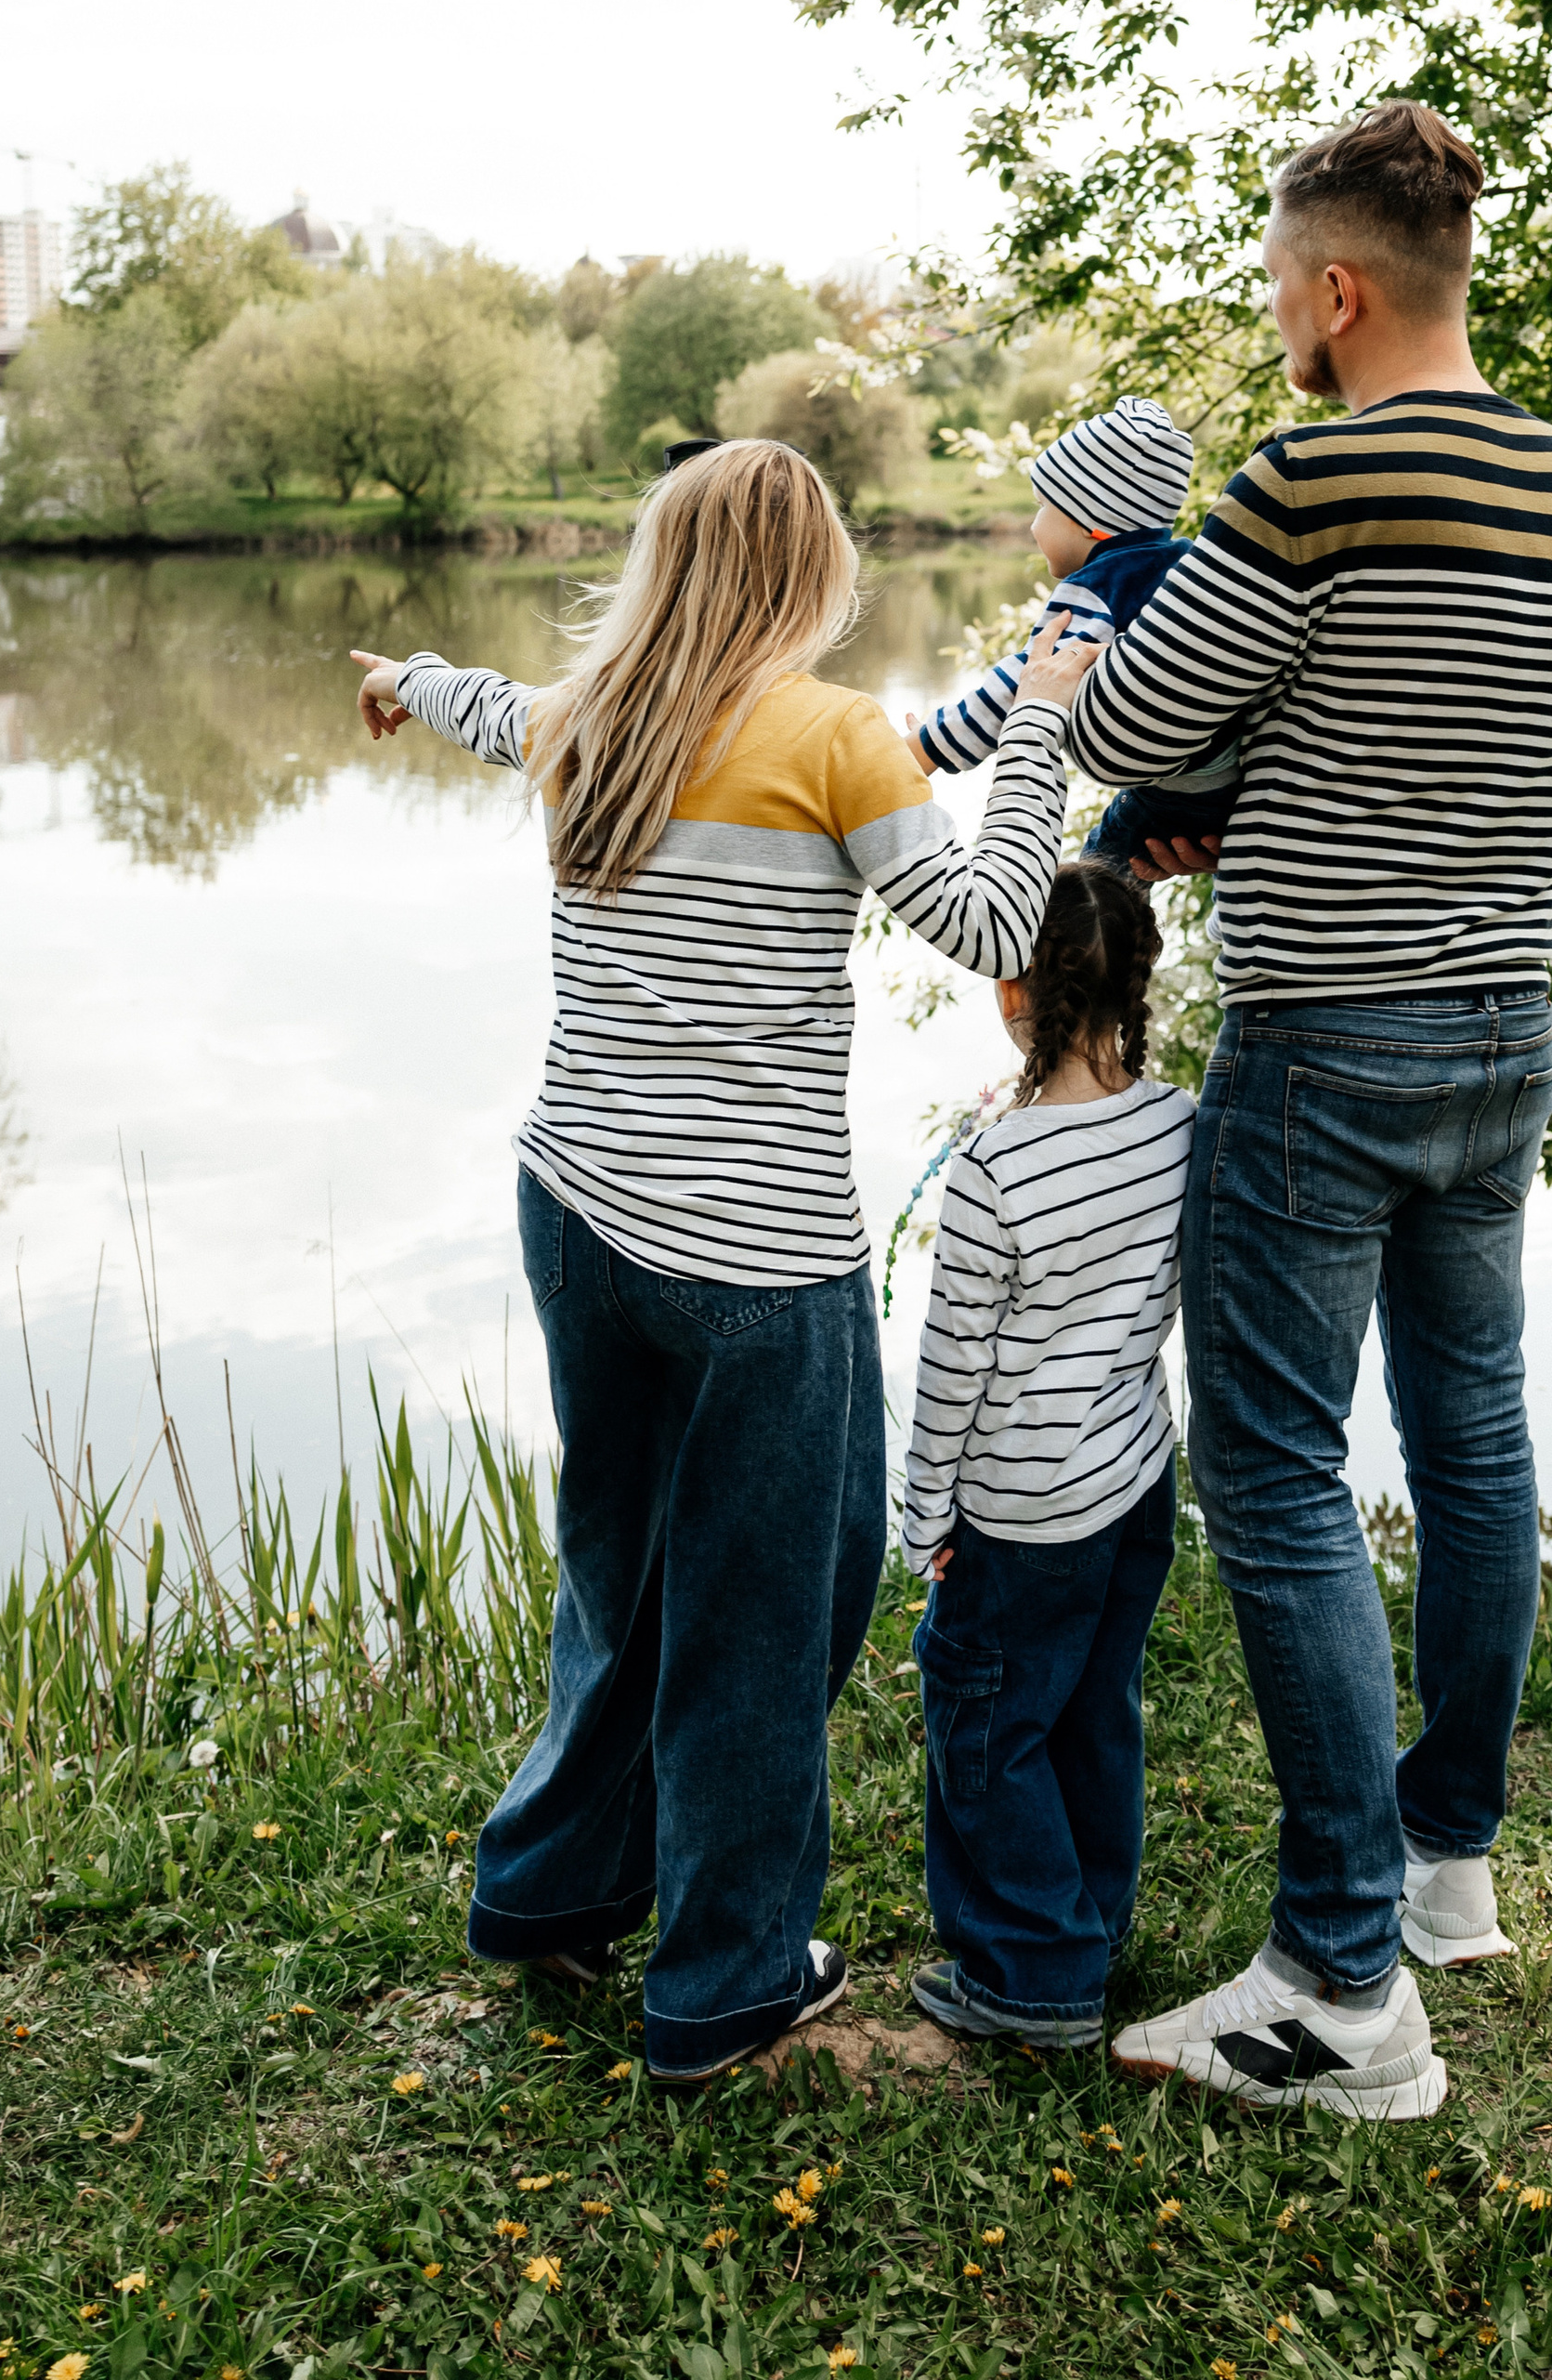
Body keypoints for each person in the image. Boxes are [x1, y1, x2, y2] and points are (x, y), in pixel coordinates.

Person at [347, 438, 1095, 2083]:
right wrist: (1036, 719)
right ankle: (728, 1980)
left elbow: (485, 707)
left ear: (662, 562)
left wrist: (404, 675)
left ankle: (548, 1891)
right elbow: (992, 930)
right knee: (775, 1607)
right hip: (755, 1258)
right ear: (810, 574)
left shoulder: (584, 718)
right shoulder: (834, 737)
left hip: (577, 1213)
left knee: (622, 1578)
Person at [1070, 101, 1552, 2121]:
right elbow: (1445, 733)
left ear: (1333, 288)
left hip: (1327, 1037)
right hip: (1505, 1023)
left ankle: (1333, 1988)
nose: (1273, 321)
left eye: (1273, 286)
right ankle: (1441, 1867)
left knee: (1281, 1469)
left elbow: (1129, 719)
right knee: (1471, 1433)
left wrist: (1129, 694)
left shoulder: (1311, 472)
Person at [897, 861, 1193, 2053]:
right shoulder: (1176, 1121)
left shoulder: (992, 1168)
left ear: (1014, 990)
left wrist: (924, 1523)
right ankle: (1093, 1919)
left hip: (1019, 1516)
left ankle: (1036, 1977)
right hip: (1131, 1483)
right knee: (1091, 1709)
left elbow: (951, 1376)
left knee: (988, 1728)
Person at [907, 394, 1239, 873]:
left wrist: (928, 747)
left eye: (1043, 507)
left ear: (1091, 523)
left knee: (1095, 880)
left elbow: (1024, 681)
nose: (1032, 524)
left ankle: (1090, 949)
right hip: (1232, 780)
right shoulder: (1185, 563)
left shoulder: (1100, 586)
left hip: (1178, 792)